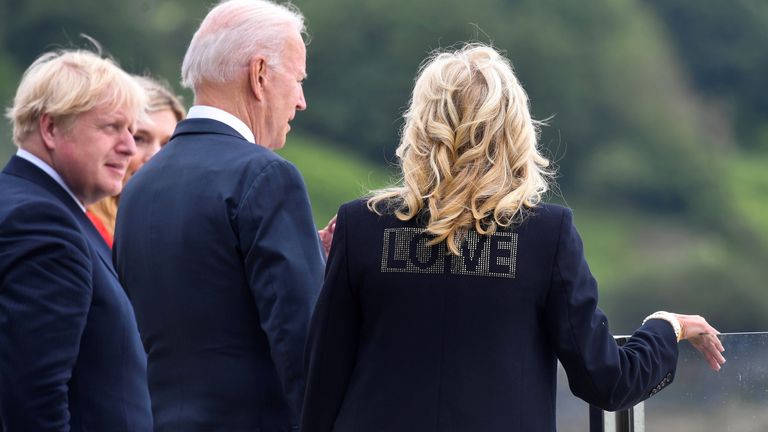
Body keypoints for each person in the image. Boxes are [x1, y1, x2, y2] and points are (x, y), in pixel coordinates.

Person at [300, 44, 727, 432]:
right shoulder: (546, 235)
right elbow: (607, 381)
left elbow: (320, 386)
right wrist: (665, 328)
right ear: (515, 130)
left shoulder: (359, 226)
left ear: (421, 125)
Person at [113, 0, 327, 430]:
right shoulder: (266, 176)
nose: (301, 101)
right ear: (260, 74)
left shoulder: (138, 186)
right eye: (299, 80)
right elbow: (304, 343)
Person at [0, 48, 152, 430]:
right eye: (111, 127)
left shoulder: (31, 205)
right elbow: (33, 401)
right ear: (51, 128)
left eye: (132, 131)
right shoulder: (43, 223)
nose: (130, 148)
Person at [87, 75, 186, 247]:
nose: (156, 157)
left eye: (168, 144)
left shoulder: (183, 228)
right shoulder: (84, 229)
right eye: (138, 138)